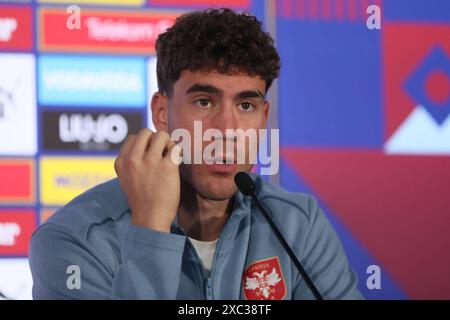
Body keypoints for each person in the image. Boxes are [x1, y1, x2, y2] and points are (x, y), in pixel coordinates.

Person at [29, 8, 362, 300]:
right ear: (161, 112)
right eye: (204, 101)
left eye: (246, 105)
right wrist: (150, 228)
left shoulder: (297, 224)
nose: (227, 129)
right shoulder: (74, 238)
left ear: (264, 117)